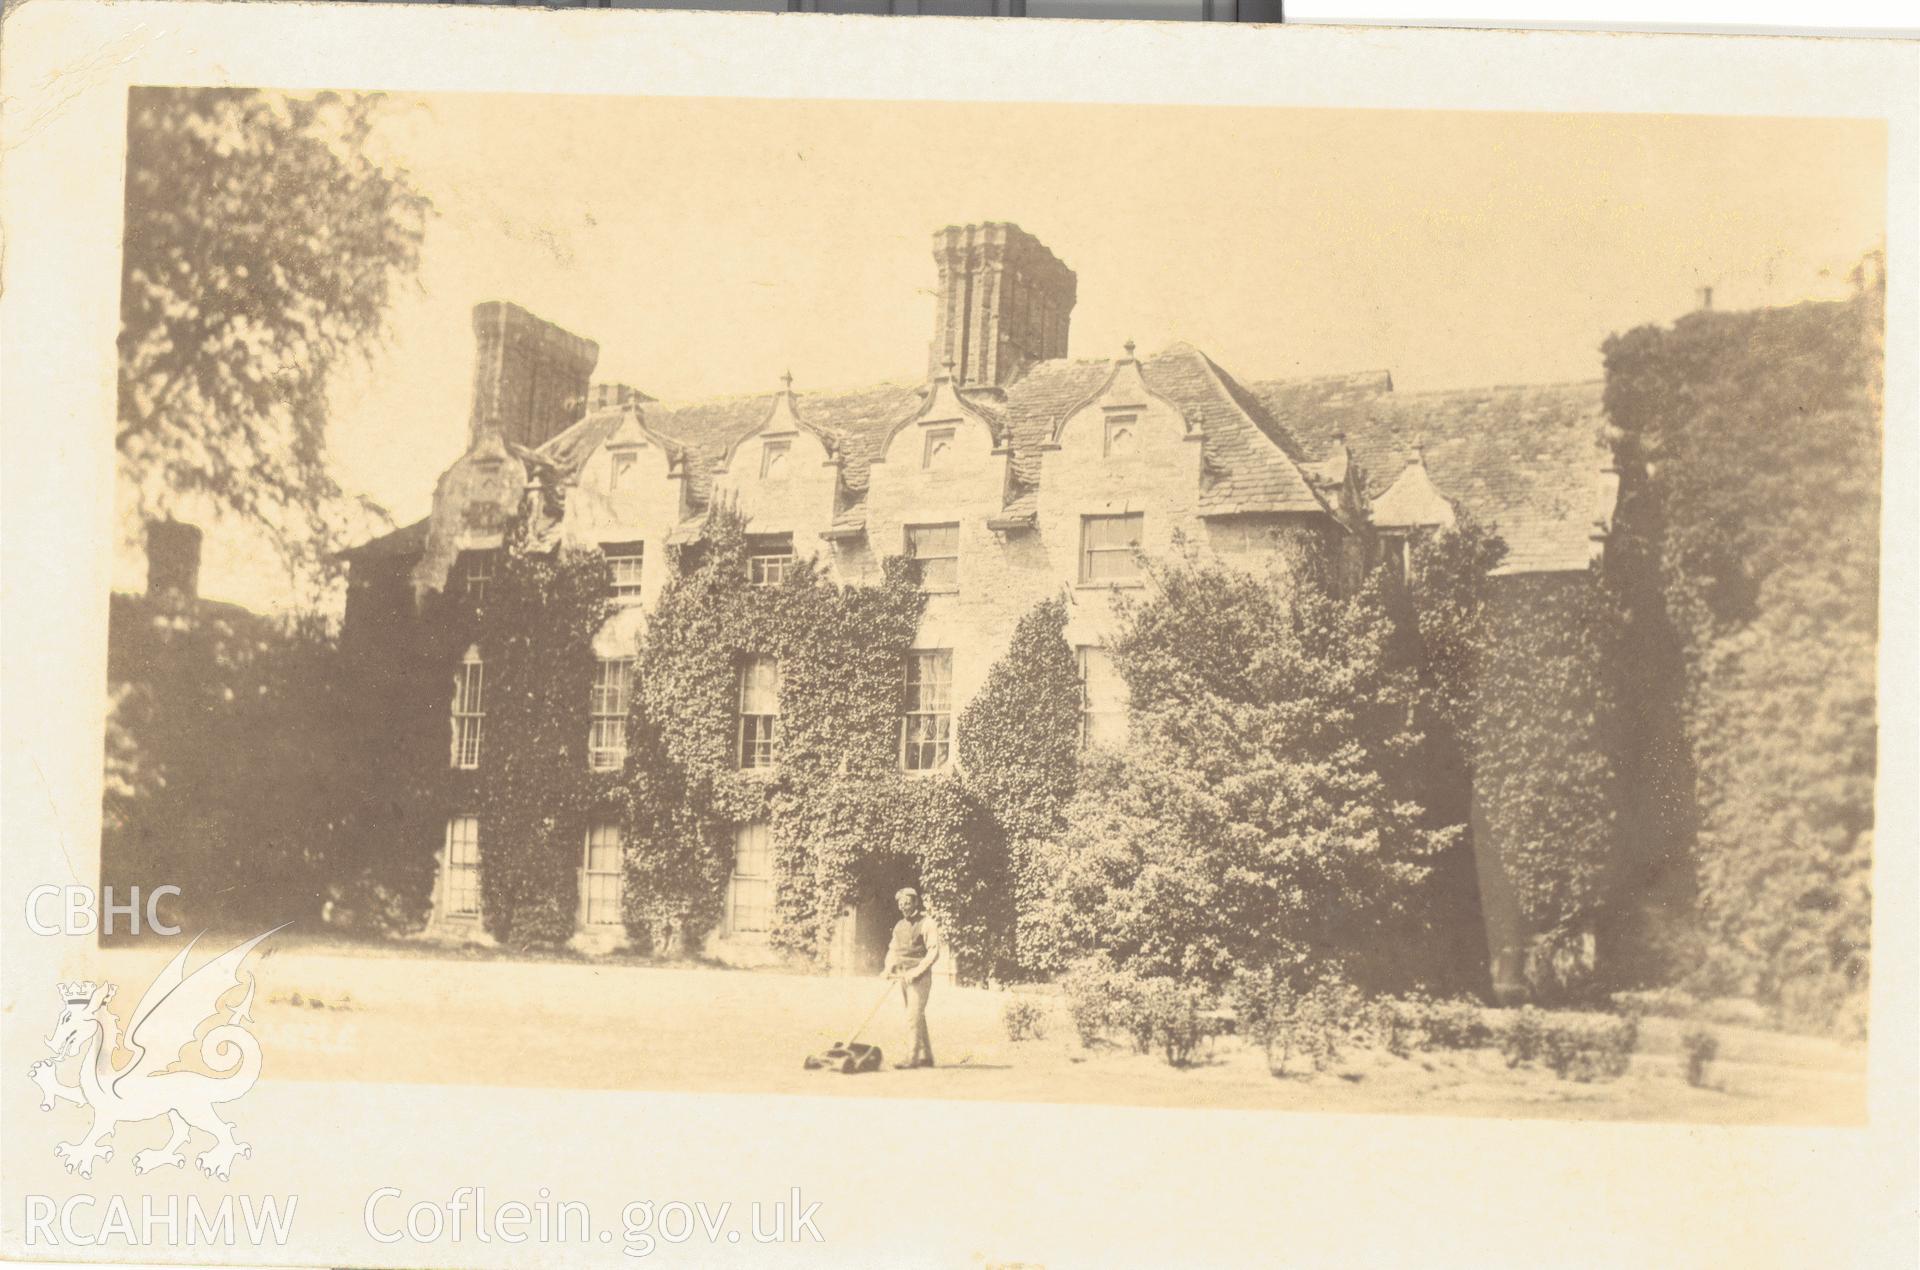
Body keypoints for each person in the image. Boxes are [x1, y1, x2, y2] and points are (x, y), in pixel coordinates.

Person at [882, 887, 940, 1069]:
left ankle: (911, 1058)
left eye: (907, 903)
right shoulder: (899, 926)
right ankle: (927, 1056)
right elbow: (893, 949)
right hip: (903, 977)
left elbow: (933, 952)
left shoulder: (927, 923)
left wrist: (916, 972)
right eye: (901, 904)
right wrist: (887, 967)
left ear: (916, 903)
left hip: (919, 978)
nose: (904, 907)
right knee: (917, 1016)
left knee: (912, 1016)